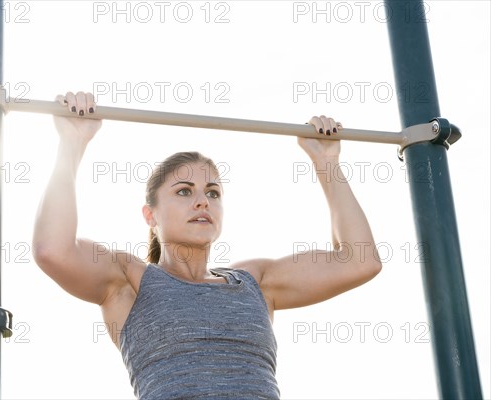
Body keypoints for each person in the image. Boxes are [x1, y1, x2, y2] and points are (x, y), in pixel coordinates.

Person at [32, 92, 382, 399]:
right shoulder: (129, 281)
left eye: (212, 193)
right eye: (184, 191)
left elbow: (359, 261)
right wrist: (72, 144)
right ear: (150, 215)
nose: (202, 202)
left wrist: (327, 164)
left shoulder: (254, 281)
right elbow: (53, 249)